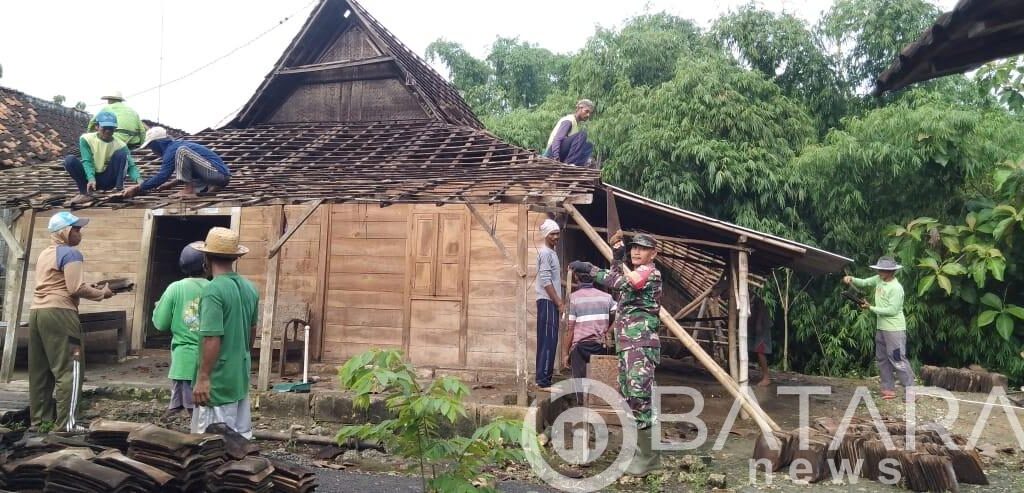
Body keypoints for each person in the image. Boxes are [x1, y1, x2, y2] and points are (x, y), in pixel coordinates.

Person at [570, 231, 663, 476]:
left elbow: (626, 282)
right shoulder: (632, 270)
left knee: (639, 396)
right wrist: (616, 256)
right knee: (629, 397)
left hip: (641, 344)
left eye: (642, 249)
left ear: (653, 253)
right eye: (633, 248)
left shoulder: (650, 273)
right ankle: (637, 453)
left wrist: (591, 269)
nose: (636, 252)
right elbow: (616, 277)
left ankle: (649, 458)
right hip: (627, 345)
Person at [28, 212, 115, 432]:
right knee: (71, 369)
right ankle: (67, 425)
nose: (79, 233)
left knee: (40, 371)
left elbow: (60, 282)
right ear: (65, 232)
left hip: (38, 313)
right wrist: (102, 293)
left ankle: (40, 423)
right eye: (76, 229)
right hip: (61, 314)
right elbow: (75, 288)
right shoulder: (71, 253)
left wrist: (91, 288)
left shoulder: (45, 254)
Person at [191, 227, 259, 438]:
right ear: (234, 257)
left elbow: (212, 337)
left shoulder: (213, 290)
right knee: (240, 440)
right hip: (239, 375)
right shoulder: (250, 288)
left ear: (206, 257)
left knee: (211, 445)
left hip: (218, 381)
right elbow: (251, 333)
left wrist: (203, 377)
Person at [842, 255, 914, 400]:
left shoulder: (896, 288)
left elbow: (892, 310)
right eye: (879, 269)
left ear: (891, 272)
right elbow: (864, 282)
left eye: (882, 270)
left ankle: (911, 391)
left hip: (894, 329)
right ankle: (888, 389)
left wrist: (871, 308)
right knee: (882, 358)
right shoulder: (879, 280)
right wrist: (852, 279)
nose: (879, 272)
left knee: (897, 358)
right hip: (881, 328)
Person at [152, 243, 209, 421]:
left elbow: (160, 323)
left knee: (192, 411)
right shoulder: (214, 288)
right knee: (198, 411)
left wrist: (157, 309)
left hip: (183, 358)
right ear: (207, 266)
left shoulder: (175, 288)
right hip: (209, 358)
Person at [121, 127, 231, 200]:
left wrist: (138, 187)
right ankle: (209, 187)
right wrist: (171, 184)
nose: (153, 151)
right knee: (183, 156)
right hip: (216, 176)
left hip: (217, 174)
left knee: (182, 152)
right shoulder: (174, 147)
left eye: (152, 147)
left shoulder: (174, 149)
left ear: (157, 144)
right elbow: (187, 172)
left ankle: (188, 190)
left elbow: (162, 176)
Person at [64, 111, 142, 205]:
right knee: (70, 160)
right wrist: (91, 178)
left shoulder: (120, 145)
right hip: (90, 179)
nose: (108, 131)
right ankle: (85, 193)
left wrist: (139, 181)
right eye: (104, 128)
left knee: (122, 154)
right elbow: (87, 160)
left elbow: (131, 165)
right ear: (97, 126)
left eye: (111, 128)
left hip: (107, 179)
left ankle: (119, 189)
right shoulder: (86, 139)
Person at [564, 270, 614, 405]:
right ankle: (597, 404)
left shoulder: (573, 298)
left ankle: (582, 404)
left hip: (580, 347)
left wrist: (565, 353)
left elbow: (570, 329)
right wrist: (608, 331)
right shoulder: (607, 297)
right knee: (599, 379)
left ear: (576, 277)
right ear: (594, 278)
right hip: (600, 345)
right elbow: (621, 314)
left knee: (579, 381)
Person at [535, 218, 564, 391]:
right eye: (552, 234)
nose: (556, 237)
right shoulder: (545, 253)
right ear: (545, 235)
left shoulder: (552, 253)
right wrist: (559, 303)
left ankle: (543, 378)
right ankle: (543, 381)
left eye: (558, 234)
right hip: (547, 301)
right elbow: (546, 281)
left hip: (549, 302)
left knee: (549, 341)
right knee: (548, 341)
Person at [543, 99, 595, 166]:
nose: (588, 115)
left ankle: (577, 165)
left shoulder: (575, 125)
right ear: (580, 108)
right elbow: (557, 139)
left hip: (562, 155)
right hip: (552, 153)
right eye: (586, 111)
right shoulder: (569, 120)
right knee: (583, 135)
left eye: (590, 113)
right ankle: (570, 163)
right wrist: (556, 157)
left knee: (589, 145)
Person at [749, 295, 773, 387]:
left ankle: (766, 378)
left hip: (762, 326)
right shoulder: (745, 295)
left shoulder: (755, 296)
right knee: (750, 349)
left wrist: (759, 323)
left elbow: (762, 307)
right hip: (753, 327)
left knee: (760, 350)